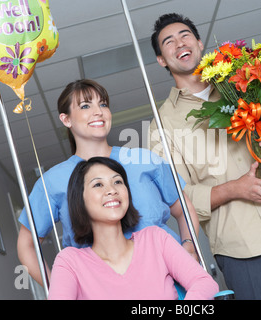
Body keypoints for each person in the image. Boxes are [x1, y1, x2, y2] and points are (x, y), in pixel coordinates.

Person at [148, 13, 261, 299]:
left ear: (199, 44)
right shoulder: (161, 126)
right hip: (238, 250)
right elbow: (178, 200)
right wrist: (233, 189)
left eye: (185, 35)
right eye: (168, 41)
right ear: (162, 59)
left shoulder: (245, 82)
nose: (179, 43)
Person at [17, 79, 200, 286]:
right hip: (103, 288)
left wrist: (189, 246)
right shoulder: (52, 182)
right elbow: (26, 245)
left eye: (103, 104)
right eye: (86, 106)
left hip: (172, 280)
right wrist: (59, 289)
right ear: (66, 119)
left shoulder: (144, 160)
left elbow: (184, 209)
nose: (99, 111)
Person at [48, 157, 218, 300]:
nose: (112, 190)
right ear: (80, 199)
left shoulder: (155, 239)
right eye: (98, 185)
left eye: (117, 182)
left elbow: (204, 283)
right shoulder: (69, 261)